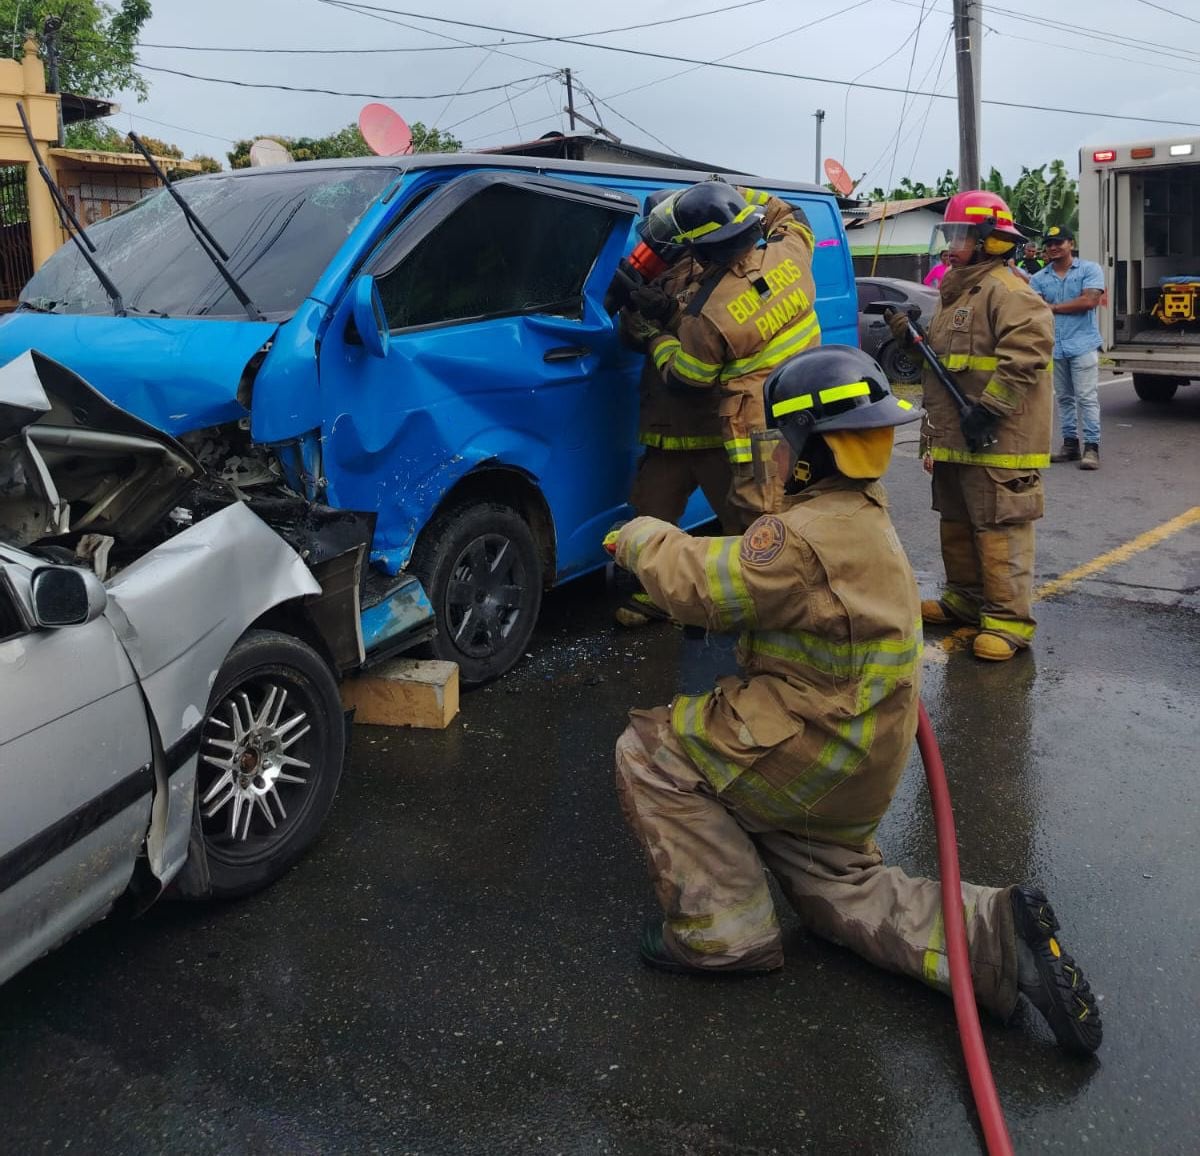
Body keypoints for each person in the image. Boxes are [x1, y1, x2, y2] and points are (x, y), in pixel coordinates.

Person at [607, 344, 1102, 1057]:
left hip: (809, 752)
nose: (770, 458)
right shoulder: (862, 514)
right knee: (840, 894)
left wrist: (642, 537)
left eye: (778, 444)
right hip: (855, 762)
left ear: (807, 451)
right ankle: (992, 939)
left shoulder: (802, 535)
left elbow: (702, 582)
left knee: (651, 752)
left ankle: (720, 933)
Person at [889, 190, 1053, 662]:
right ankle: (965, 599)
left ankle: (1007, 621)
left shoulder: (1009, 290)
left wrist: (990, 409)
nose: (950, 243)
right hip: (957, 436)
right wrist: (909, 336)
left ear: (990, 241)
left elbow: (1026, 356)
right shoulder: (960, 291)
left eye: (960, 234)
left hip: (999, 437)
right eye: (950, 233)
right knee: (957, 523)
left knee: (999, 527)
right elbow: (951, 362)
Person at [630, 180, 822, 531]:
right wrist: (728, 191)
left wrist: (655, 336)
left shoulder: (707, 313)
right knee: (788, 513)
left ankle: (771, 583)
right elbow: (791, 213)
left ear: (702, 252)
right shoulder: (791, 252)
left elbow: (688, 378)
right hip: (798, 416)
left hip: (758, 432)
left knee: (761, 521)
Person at [610, 191, 733, 626]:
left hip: (711, 428)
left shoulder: (715, 274)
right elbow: (629, 338)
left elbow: (703, 338)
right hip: (665, 426)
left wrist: (661, 322)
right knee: (650, 513)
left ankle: (745, 601)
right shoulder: (653, 276)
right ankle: (656, 595)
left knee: (741, 518)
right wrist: (632, 316)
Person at [1029, 225, 1105, 470]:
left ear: (1071, 243)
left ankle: (1091, 448)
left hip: (1082, 344)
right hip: (1054, 346)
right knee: (1063, 398)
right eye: (1049, 243)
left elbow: (1090, 300)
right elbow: (1034, 307)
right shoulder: (1039, 278)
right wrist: (1052, 307)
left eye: (1059, 242)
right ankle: (1070, 445)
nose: (1053, 247)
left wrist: (1052, 307)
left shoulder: (1089, 269)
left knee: (1086, 398)